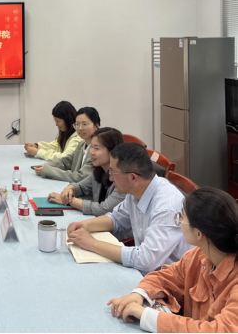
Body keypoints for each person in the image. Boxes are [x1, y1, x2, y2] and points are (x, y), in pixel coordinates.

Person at [108, 188, 238, 333]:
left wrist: (148, 316)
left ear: (198, 233)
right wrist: (139, 294)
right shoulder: (199, 256)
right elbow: (165, 277)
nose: (178, 222)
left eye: (181, 217)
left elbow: (221, 330)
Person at [67, 143, 192, 275]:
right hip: (147, 274)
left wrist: (92, 244)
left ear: (133, 177)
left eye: (113, 173)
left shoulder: (166, 206)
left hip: (171, 280)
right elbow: (116, 219)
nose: (110, 178)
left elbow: (146, 260)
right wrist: (83, 225)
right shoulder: (137, 191)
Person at [48, 127, 126, 216]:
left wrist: (69, 200)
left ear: (113, 151)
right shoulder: (100, 170)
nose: (91, 152)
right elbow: (81, 187)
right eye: (91, 147)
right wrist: (70, 189)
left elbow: (103, 210)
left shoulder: (123, 178)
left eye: (96, 148)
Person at [34, 107, 100, 182]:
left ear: (96, 126)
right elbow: (66, 161)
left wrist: (48, 171)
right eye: (77, 124)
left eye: (84, 124)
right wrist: (48, 166)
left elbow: (80, 177)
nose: (80, 128)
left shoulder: (97, 150)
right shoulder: (82, 144)